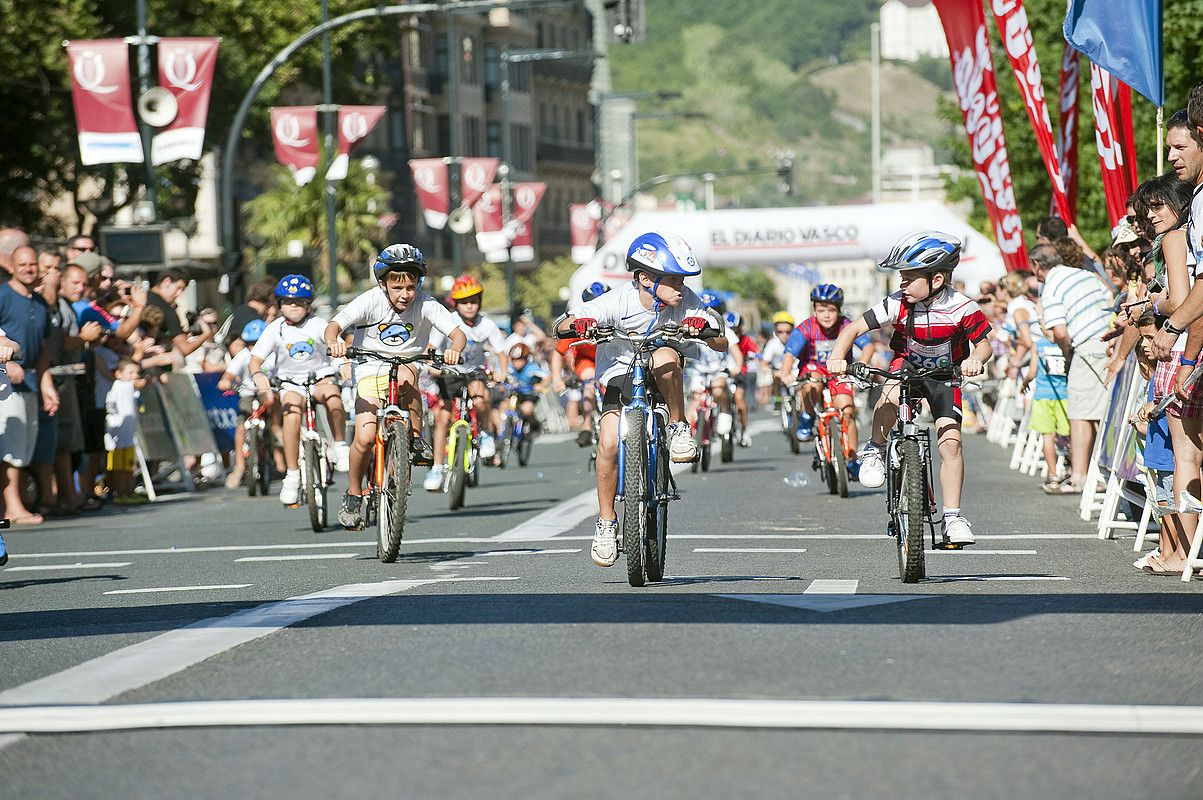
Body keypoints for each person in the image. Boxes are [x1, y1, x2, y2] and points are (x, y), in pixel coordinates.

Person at [554, 231, 727, 568]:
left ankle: (678, 426)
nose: (680, 287)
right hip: (621, 374)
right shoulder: (617, 301)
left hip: (664, 377)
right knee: (607, 443)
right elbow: (564, 326)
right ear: (645, 279)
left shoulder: (687, 301)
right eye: (672, 279)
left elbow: (721, 339)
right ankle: (606, 523)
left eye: (682, 280)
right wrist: (582, 324)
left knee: (665, 355)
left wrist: (702, 328)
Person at [827, 231, 992, 545]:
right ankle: (875, 449)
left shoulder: (963, 307)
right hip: (907, 366)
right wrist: (837, 357)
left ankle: (953, 519)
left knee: (951, 443)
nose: (901, 283)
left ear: (937, 279)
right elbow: (854, 327)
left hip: (945, 375)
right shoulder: (897, 303)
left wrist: (976, 361)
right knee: (889, 393)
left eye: (908, 277)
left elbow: (983, 345)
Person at [324, 244, 465, 529]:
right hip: (369, 367)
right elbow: (334, 325)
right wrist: (334, 341)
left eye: (411, 287)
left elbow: (456, 333)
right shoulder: (369, 301)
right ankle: (353, 494)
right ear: (383, 283)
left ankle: (413, 437)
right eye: (397, 287)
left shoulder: (426, 304)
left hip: (407, 362)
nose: (405, 295)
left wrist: (455, 349)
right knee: (364, 438)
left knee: (406, 376)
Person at [249, 275, 350, 506]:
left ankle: (340, 444)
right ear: (279, 304)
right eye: (287, 302)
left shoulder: (318, 324)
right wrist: (258, 375)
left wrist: (343, 364)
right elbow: (255, 360)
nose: (293, 306)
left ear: (309, 304)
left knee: (333, 399)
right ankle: (292, 474)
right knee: (291, 416)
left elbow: (337, 347)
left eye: (300, 301)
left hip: (320, 376)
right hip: (291, 382)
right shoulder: (275, 329)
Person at [1028, 241, 1114, 494]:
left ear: (1037, 266)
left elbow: (1061, 332)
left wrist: (1068, 356)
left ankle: (1079, 475)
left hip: (1086, 346)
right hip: (1108, 341)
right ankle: (1103, 471)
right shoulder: (1084, 274)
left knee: (1080, 413)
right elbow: (1109, 296)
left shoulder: (1052, 284)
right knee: (1101, 411)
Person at [778, 284, 873, 476]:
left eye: (831, 310)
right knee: (811, 382)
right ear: (814, 310)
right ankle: (808, 416)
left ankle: (853, 457)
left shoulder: (846, 325)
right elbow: (790, 354)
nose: (827, 315)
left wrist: (862, 364)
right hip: (813, 371)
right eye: (821, 310)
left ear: (839, 310)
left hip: (839, 374)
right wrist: (785, 373)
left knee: (847, 410)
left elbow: (868, 347)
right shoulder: (806, 327)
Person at [425, 274, 507, 491]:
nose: (469, 306)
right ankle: (437, 467)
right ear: (455, 304)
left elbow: (500, 352)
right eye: (463, 302)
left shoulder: (487, 325)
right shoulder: (447, 321)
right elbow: (431, 347)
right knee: (442, 417)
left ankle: (486, 434)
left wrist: (502, 371)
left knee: (480, 398)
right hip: (448, 372)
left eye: (473, 301)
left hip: (473, 372)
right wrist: (431, 364)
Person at [0, 245, 60, 525]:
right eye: (22, 264)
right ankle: (12, 507)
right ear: (12, 267)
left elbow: (43, 348)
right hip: (5, 381)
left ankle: (18, 502)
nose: (28, 269)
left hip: (31, 381)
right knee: (9, 446)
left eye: (32, 264)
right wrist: (6, 363)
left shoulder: (38, 302)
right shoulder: (2, 296)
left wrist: (47, 384)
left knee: (24, 446)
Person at [219, 319, 280, 489]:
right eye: (250, 343)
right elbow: (230, 373)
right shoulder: (244, 355)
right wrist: (226, 380)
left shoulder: (272, 355)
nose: (254, 347)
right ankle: (239, 466)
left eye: (258, 343)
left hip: (267, 393)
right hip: (247, 393)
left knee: (273, 402)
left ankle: (274, 429)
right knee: (241, 426)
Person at [104, 359, 144, 505]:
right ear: (118, 374)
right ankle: (119, 493)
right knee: (118, 468)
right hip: (117, 438)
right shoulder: (120, 386)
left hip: (128, 436)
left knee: (128, 466)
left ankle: (129, 491)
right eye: (130, 372)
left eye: (137, 372)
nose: (134, 375)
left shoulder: (130, 389)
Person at [727, 310, 758, 443]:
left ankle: (744, 431)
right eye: (731, 330)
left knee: (739, 400)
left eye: (737, 330)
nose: (734, 333)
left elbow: (756, 351)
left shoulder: (745, 340)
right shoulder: (720, 338)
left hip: (739, 374)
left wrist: (754, 356)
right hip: (722, 374)